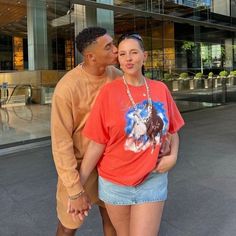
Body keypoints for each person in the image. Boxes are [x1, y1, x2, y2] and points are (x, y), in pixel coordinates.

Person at [79, 33, 185, 236]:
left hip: (151, 179)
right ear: (118, 59)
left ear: (144, 56)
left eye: (134, 52)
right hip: (114, 183)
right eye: (123, 54)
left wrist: (173, 156)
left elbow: (173, 130)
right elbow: (97, 143)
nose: (128, 58)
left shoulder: (160, 89)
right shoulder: (108, 93)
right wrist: (77, 185)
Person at [51, 26, 122, 236]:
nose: (116, 50)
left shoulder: (118, 77)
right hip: (79, 168)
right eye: (109, 47)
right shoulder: (67, 87)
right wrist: (74, 190)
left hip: (111, 164)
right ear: (91, 56)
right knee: (68, 226)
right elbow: (61, 143)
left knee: (112, 223)